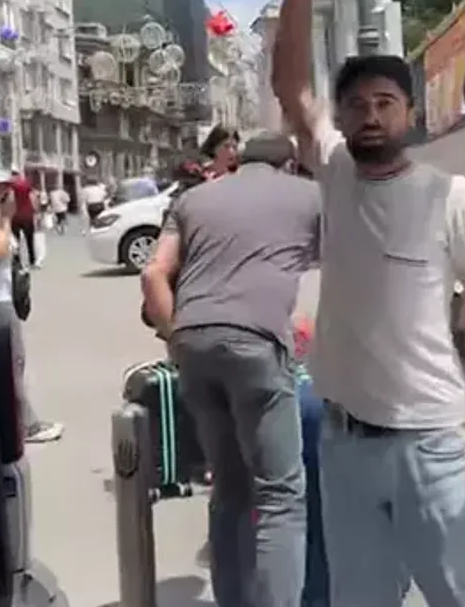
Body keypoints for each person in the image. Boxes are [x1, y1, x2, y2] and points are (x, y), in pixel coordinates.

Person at [272, 0, 465, 607]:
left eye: (385, 102)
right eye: (356, 105)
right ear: (342, 118)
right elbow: (289, 83)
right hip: (346, 445)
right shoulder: (336, 172)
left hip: (429, 447)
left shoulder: (451, 196)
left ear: (410, 113)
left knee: (462, 597)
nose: (371, 116)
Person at [142, 134, 321, 607]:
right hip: (256, 345)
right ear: (289, 165)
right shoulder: (308, 195)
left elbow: (153, 273)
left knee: (229, 488)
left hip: (193, 341)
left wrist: (174, 337)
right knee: (280, 497)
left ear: (239, 162)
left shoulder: (194, 199)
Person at [0, 162, 64, 444]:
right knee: (11, 366)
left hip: (6, 298)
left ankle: (16, 423)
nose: (2, 191)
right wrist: (6, 220)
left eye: (5, 186)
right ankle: (25, 426)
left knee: (13, 364)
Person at [9, 168, 38, 268]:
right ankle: (32, 260)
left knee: (15, 240)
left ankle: (17, 262)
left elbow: (9, 199)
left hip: (14, 216)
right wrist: (35, 211)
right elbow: (33, 197)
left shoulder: (9, 185)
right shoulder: (25, 184)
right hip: (27, 215)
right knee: (30, 239)